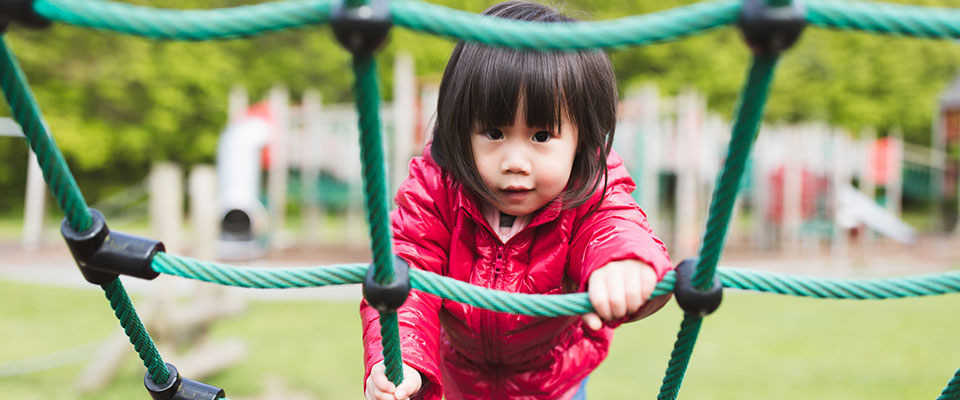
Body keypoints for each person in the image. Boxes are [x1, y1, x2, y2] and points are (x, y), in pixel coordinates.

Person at [361, 2, 673, 399]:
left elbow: (614, 226)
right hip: (457, 376)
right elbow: (405, 270)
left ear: (582, 139)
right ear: (461, 126)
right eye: (493, 132)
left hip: (553, 380)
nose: (514, 163)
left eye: (542, 136)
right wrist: (400, 358)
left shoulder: (588, 188)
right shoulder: (439, 187)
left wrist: (626, 266)